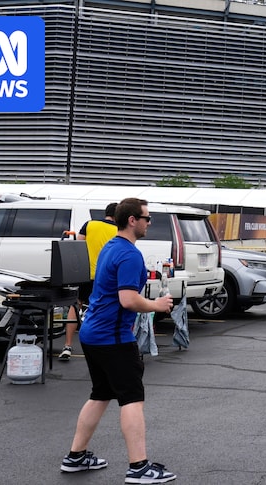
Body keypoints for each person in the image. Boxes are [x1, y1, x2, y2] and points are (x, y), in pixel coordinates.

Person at [60, 198, 177, 484]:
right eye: (146, 218)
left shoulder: (112, 247)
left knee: (100, 394)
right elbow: (127, 300)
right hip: (112, 337)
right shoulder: (128, 254)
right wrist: (157, 305)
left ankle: (75, 457)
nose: (150, 223)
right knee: (132, 399)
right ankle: (139, 467)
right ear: (132, 220)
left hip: (93, 333)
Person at [59, 202, 118, 361]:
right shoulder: (118, 230)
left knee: (75, 304)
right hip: (105, 276)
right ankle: (99, 347)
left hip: (85, 274)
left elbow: (78, 246)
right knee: (101, 308)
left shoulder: (89, 224)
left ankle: (67, 346)